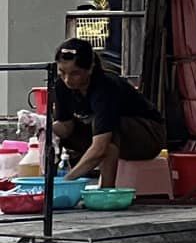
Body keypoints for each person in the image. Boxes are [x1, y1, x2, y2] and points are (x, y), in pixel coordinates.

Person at [51, 38, 167, 187]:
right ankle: (53, 180)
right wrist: (43, 126)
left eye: (75, 74)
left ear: (90, 68)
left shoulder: (106, 88)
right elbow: (65, 127)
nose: (67, 79)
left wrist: (65, 182)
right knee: (56, 133)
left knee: (107, 132)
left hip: (148, 136)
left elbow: (101, 146)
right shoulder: (61, 85)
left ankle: (106, 190)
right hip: (105, 135)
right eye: (62, 72)